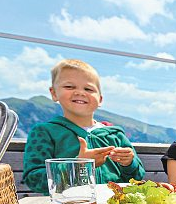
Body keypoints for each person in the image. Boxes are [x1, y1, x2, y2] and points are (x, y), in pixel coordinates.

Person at [22, 59, 145, 195]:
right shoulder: (44, 132)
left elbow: (137, 176)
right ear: (54, 93)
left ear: (100, 99)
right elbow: (33, 179)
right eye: (69, 87)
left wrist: (129, 163)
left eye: (88, 89)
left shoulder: (115, 135)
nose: (80, 92)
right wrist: (78, 166)